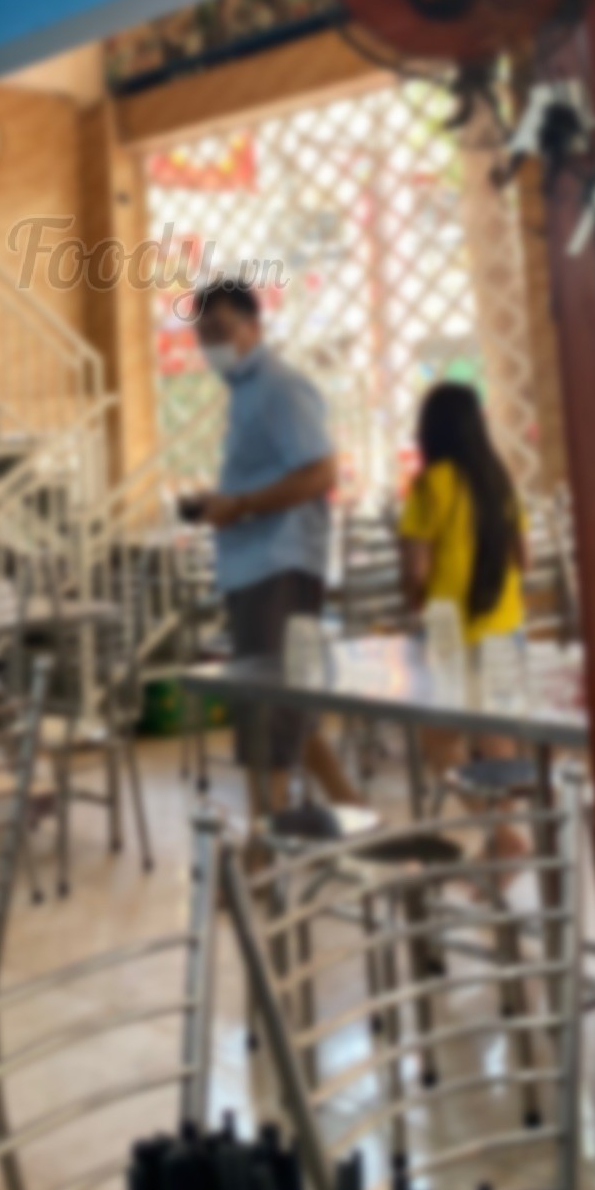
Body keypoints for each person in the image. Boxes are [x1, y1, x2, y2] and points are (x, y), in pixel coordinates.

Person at [183, 278, 360, 816]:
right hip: (254, 564)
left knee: (267, 711)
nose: (212, 343)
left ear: (254, 327)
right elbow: (269, 476)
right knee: (288, 706)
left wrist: (240, 506)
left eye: (221, 329)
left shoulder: (279, 387)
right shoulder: (245, 393)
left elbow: (320, 472)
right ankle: (356, 811)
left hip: (277, 564)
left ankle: (265, 841)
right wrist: (223, 503)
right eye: (203, 334)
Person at [398, 380, 526, 854]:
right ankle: (503, 836)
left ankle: (501, 835)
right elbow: (525, 559)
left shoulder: (430, 486)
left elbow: (416, 569)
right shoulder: (500, 480)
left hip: (450, 634)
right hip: (505, 627)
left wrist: (414, 598)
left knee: (437, 739)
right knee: (498, 744)